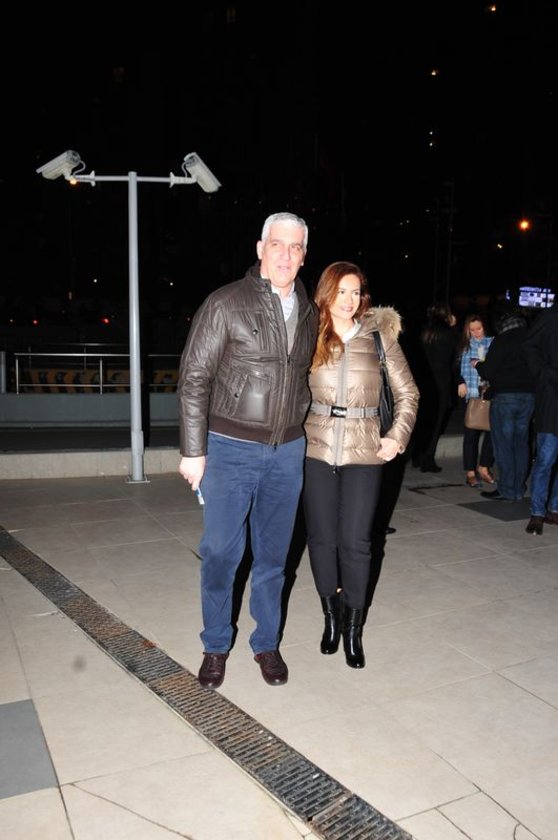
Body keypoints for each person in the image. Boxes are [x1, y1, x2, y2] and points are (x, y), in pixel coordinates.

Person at [177, 212, 318, 689]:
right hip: (229, 447)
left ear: (304, 255)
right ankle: (216, 644)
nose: (286, 255)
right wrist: (193, 450)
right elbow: (194, 378)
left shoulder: (309, 311)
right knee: (220, 553)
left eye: (295, 247)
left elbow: (306, 378)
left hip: (287, 451)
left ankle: (267, 643)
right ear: (260, 248)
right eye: (277, 244)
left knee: (274, 557)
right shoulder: (225, 302)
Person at [302, 262, 419, 669]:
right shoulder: (309, 334)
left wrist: (396, 436)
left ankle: (353, 628)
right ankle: (330, 618)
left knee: (356, 542)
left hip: (365, 450)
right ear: (326, 293)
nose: (349, 300)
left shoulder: (379, 338)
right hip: (315, 448)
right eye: (342, 291)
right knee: (321, 539)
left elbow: (408, 393)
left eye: (356, 292)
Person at [473, 303, 535, 502]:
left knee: (504, 445)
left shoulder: (502, 340)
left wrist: (477, 364)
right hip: (529, 397)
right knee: (521, 444)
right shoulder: (531, 337)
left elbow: (488, 371)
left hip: (505, 397)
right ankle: (518, 488)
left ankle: (508, 489)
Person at [411, 301, 459, 472]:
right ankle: (428, 459)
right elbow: (457, 352)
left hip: (423, 381)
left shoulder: (424, 332)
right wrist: (453, 327)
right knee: (437, 422)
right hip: (441, 382)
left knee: (422, 420)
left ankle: (417, 456)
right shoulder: (448, 334)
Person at [522, 304, 558, 535]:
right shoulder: (551, 316)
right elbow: (529, 346)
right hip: (553, 400)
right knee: (546, 458)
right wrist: (546, 374)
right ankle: (537, 512)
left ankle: (555, 508)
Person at [457, 313, 495, 487]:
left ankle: (484, 467)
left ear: (484, 327)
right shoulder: (464, 346)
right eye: (472, 330)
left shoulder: (493, 342)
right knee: (470, 433)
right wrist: (460, 382)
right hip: (471, 393)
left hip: (490, 392)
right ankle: (470, 472)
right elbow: (455, 366)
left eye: (479, 328)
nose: (476, 332)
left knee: (492, 432)